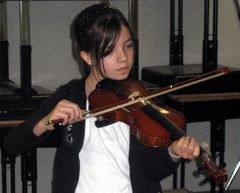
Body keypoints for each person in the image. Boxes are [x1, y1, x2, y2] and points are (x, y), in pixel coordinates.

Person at [4, 3, 200, 193]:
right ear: (87, 57)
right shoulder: (70, 95)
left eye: (128, 46)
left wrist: (173, 153)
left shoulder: (143, 96)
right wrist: (46, 123)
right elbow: (11, 145)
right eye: (110, 50)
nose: (123, 57)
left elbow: (151, 172)